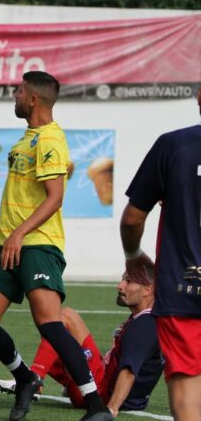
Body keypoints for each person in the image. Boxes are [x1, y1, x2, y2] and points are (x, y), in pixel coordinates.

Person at [0, 70, 113, 421]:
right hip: (7, 244)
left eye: (19, 91)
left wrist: (19, 234)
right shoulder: (27, 140)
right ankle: (24, 377)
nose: (14, 96)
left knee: (50, 324)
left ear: (33, 99)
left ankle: (96, 406)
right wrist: (10, 237)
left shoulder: (50, 139)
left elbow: (54, 198)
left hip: (36, 245)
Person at [120, 89, 201, 421]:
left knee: (187, 403)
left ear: (199, 98)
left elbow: (132, 218)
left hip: (184, 291)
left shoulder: (174, 146)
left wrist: (132, 254)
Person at [0, 265, 163, 418]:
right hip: (109, 385)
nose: (119, 286)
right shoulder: (144, 320)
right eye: (122, 279)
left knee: (64, 318)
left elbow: (129, 371)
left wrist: (111, 409)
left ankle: (31, 381)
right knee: (60, 337)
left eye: (128, 281)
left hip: (102, 393)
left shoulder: (144, 325)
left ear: (147, 290)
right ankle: (34, 380)